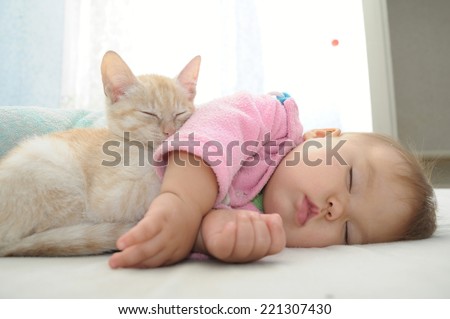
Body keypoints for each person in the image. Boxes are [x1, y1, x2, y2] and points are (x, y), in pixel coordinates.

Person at [108, 92, 437, 268]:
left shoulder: (261, 227)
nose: (336, 210)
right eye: (350, 179)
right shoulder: (271, 122)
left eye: (348, 232)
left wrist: (212, 238)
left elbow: (194, 230)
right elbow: (214, 130)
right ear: (321, 136)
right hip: (99, 146)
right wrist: (183, 201)